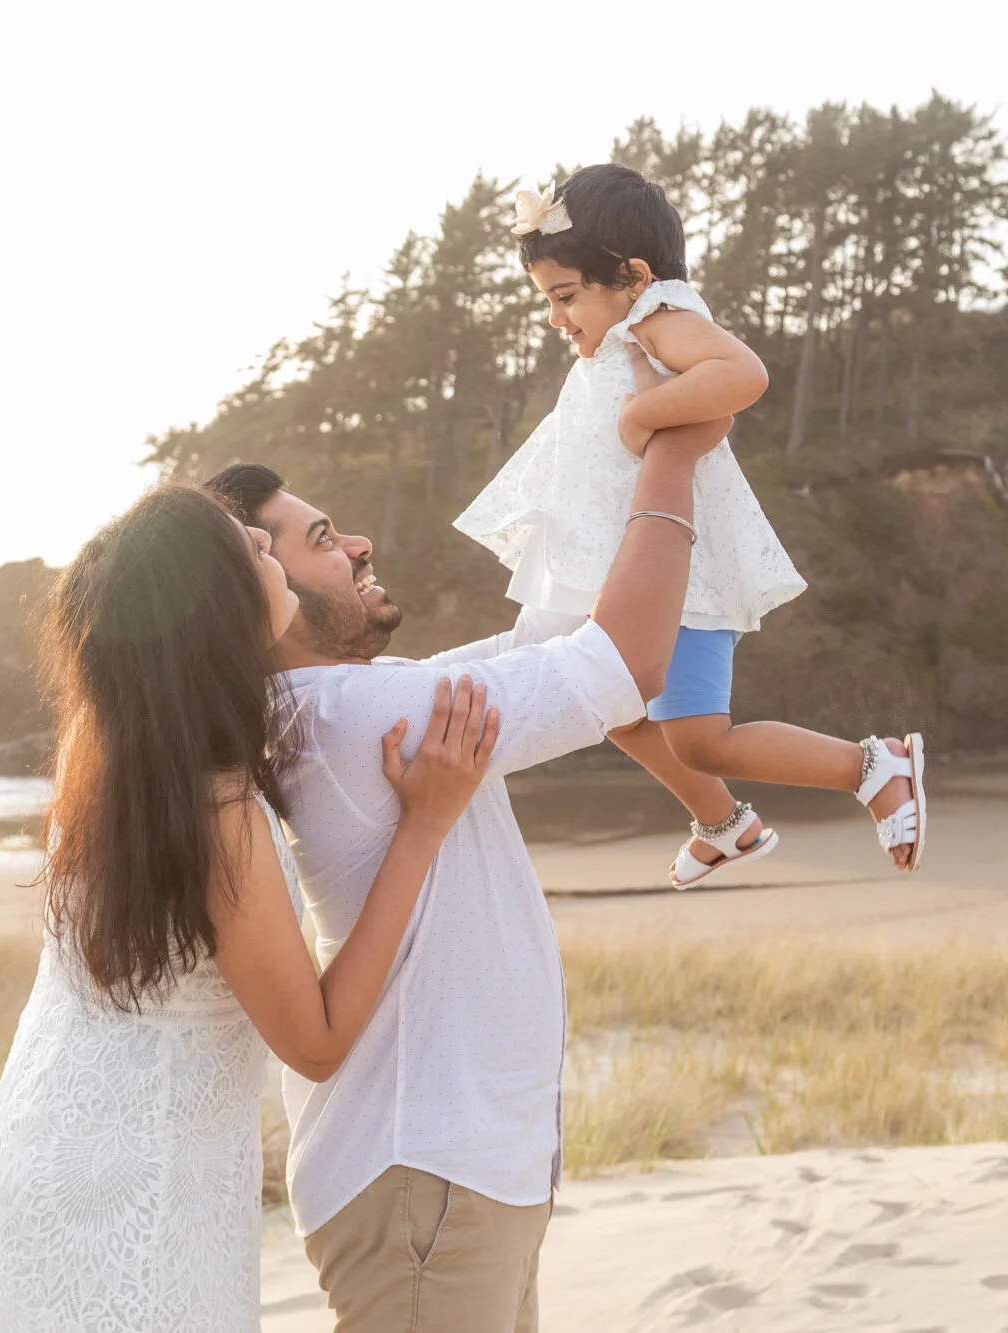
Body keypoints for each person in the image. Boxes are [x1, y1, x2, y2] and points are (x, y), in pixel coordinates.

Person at [0, 484, 501, 1333]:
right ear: (217, 609)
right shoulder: (217, 813)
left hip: (45, 1138)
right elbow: (315, 1043)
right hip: (151, 1170)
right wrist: (422, 827)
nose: (263, 541)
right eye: (249, 546)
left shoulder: (103, 746)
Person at [207, 423, 716, 1332]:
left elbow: (552, 638)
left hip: (453, 1177)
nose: (359, 543)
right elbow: (626, 665)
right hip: (426, 1180)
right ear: (263, 594)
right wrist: (674, 456)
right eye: (320, 542)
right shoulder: (354, 715)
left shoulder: (357, 699)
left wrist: (606, 442)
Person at [454, 163, 926, 885]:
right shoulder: (626, 327)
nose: (556, 318)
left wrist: (644, 414)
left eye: (566, 297)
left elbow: (743, 374)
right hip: (630, 566)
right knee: (609, 702)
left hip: (683, 570)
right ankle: (725, 823)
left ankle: (872, 766)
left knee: (696, 735)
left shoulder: (658, 319)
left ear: (634, 276)